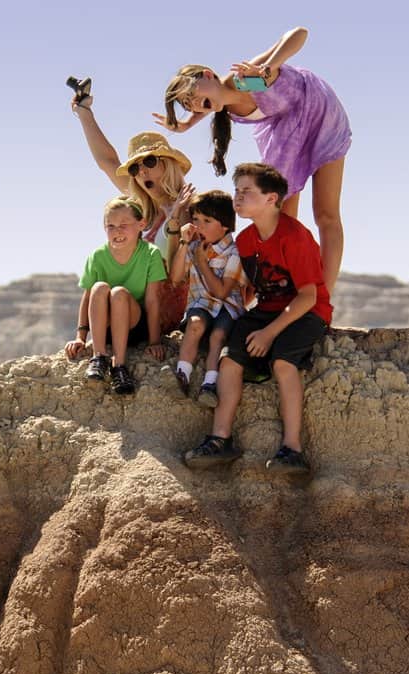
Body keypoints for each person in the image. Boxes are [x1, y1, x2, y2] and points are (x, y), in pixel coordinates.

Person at [156, 27, 351, 291]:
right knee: (279, 216)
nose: (197, 104)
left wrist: (271, 67)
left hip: (319, 114)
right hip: (287, 132)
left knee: (326, 213)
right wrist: (187, 123)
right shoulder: (218, 102)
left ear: (208, 74)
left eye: (195, 96)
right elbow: (213, 99)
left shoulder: (244, 80)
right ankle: (285, 289)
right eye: (190, 104)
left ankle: (323, 296)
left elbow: (299, 34)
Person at [183, 163, 330, 475]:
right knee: (229, 360)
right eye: (236, 191)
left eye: (247, 191)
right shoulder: (247, 240)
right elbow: (251, 288)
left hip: (307, 312)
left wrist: (269, 334)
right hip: (267, 309)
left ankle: (292, 449)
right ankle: (220, 438)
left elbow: (308, 295)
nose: (238, 197)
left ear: (271, 198)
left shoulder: (294, 237)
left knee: (282, 362)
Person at [71, 91, 196, 344]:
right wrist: (84, 112)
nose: (142, 172)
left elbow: (178, 275)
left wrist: (175, 220)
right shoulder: (142, 211)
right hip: (129, 304)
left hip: (162, 311)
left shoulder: (190, 208)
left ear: (168, 164)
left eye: (149, 161)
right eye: (135, 168)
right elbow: (108, 162)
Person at [64, 196, 167, 395]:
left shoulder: (150, 254)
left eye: (123, 225)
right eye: (110, 226)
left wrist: (155, 341)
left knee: (118, 292)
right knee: (99, 288)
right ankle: (99, 357)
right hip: (105, 327)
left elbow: (153, 300)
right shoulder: (98, 256)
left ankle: (119, 366)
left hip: (134, 326)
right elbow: (87, 298)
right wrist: (80, 337)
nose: (117, 231)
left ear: (141, 224)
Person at [168, 189, 248, 407]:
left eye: (206, 220)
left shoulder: (235, 252)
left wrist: (202, 263)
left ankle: (209, 384)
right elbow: (175, 278)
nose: (198, 226)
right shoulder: (193, 247)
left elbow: (222, 292)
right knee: (194, 324)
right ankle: (182, 375)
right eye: (195, 219)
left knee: (218, 335)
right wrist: (184, 244)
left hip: (227, 307)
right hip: (200, 304)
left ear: (224, 225)